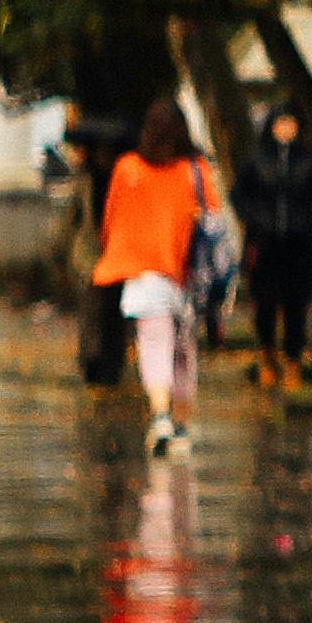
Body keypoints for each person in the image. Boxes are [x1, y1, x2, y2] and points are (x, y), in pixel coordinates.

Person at [93, 100, 220, 457]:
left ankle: (161, 415)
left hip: (142, 273)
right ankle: (179, 422)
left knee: (154, 345)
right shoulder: (196, 170)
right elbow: (212, 220)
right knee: (183, 350)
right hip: (187, 277)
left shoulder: (127, 168)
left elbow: (110, 222)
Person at [231, 99, 312, 387]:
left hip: (298, 244)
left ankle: (293, 360)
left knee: (296, 304)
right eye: (280, 122)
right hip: (264, 244)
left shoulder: (310, 161)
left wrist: (308, 220)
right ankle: (266, 355)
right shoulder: (256, 160)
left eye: (291, 123)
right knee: (264, 303)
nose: (286, 128)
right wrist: (256, 218)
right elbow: (240, 195)